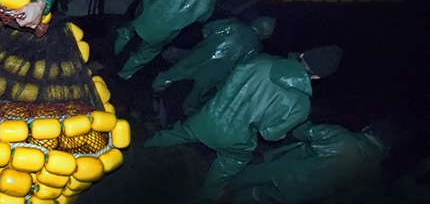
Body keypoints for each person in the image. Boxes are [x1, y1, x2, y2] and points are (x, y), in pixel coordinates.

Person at [144, 45, 344, 201]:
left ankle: (147, 144)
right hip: (234, 138)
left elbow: (230, 79)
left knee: (183, 131)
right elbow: (270, 134)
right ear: (317, 76)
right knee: (232, 161)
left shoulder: (262, 62)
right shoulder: (302, 105)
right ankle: (206, 193)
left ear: (302, 55)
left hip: (210, 115)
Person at [114, 0, 239, 80]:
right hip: (168, 30)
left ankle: (113, 55)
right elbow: (203, 17)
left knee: (127, 31)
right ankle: (123, 75)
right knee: (146, 54)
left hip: (148, 13)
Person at [230, 119, 398, 204]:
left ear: (367, 129)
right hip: (302, 198)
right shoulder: (374, 174)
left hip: (281, 170)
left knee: (235, 186)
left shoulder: (341, 137)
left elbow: (301, 132)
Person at [153, 16, 277, 116]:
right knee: (194, 98)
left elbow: (206, 30)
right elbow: (242, 67)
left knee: (172, 75)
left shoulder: (231, 23)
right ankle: (181, 118)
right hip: (214, 75)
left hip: (197, 58)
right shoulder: (256, 47)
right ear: (266, 34)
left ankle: (155, 93)